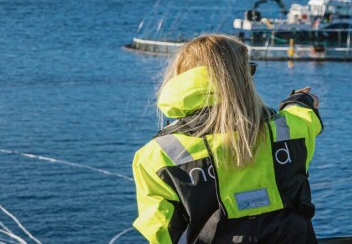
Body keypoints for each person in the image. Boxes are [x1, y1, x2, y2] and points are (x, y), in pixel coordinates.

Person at [133, 34, 323, 244]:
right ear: (241, 77)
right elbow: (304, 116)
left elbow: (161, 233)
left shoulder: (156, 155)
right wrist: (300, 100)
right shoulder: (290, 130)